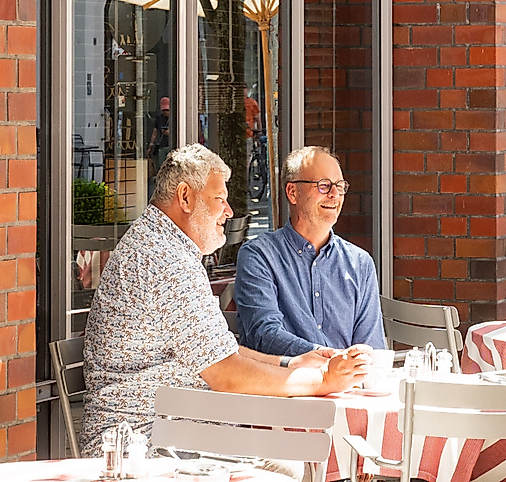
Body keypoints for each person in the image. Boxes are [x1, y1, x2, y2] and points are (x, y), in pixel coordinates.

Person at [81, 144, 370, 452]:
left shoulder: (162, 246)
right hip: (149, 444)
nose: (229, 211)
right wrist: (322, 380)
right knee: (301, 457)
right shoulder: (165, 260)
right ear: (185, 197)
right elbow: (226, 374)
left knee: (299, 456)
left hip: (177, 432)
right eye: (220, 198)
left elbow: (219, 352)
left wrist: (293, 363)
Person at [233, 146, 386, 355]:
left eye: (339, 186)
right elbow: (263, 336)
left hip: (347, 385)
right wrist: (329, 360)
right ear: (292, 193)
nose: (334, 195)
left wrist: (346, 367)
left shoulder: (360, 263)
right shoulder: (259, 256)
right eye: (323, 186)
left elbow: (371, 349)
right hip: (284, 384)